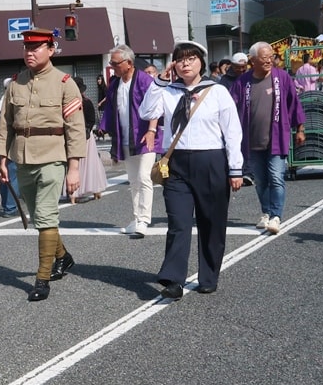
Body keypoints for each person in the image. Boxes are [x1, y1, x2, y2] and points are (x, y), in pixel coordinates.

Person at [139, 40, 244, 300]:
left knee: (212, 222)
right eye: (180, 59)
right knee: (178, 222)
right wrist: (159, 83)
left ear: (201, 62)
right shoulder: (167, 90)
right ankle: (173, 279)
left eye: (191, 58)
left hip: (211, 161)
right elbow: (146, 112)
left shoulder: (217, 91)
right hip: (177, 164)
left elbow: (232, 131)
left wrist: (236, 168)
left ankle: (209, 275)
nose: (185, 63)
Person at [0, 28, 86, 301]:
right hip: (22, 159)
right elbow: (5, 126)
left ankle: (42, 279)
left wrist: (74, 168)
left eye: (36, 48)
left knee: (46, 217)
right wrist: (2, 160)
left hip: (52, 158)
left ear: (51, 49)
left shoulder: (64, 83)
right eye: (26, 48)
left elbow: (75, 129)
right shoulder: (15, 84)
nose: (30, 53)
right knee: (38, 218)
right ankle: (64, 257)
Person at [229, 41, 306, 235]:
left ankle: (276, 216)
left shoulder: (282, 77)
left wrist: (300, 129)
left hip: (277, 137)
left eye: (271, 57)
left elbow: (294, 103)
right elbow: (229, 108)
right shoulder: (242, 82)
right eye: (264, 58)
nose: (269, 60)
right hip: (252, 140)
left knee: (276, 177)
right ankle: (266, 212)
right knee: (261, 180)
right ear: (252, 60)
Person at [101, 45, 162, 238]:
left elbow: (156, 106)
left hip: (145, 137)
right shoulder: (115, 84)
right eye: (111, 63)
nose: (112, 66)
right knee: (133, 180)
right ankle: (136, 218)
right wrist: (104, 126)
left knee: (144, 177)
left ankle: (144, 219)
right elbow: (111, 109)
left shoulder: (144, 80)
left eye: (115, 63)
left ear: (128, 63)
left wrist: (152, 130)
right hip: (125, 137)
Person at [69, 75, 107, 201]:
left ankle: (75, 193)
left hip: (81, 135)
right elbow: (91, 120)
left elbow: (90, 121)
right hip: (84, 134)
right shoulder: (86, 102)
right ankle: (92, 189)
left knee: (77, 163)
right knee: (90, 163)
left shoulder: (81, 102)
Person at [0, 77, 20, 216]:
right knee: (11, 175)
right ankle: (10, 207)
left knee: (4, 176)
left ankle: (6, 204)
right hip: (9, 145)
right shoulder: (10, 104)